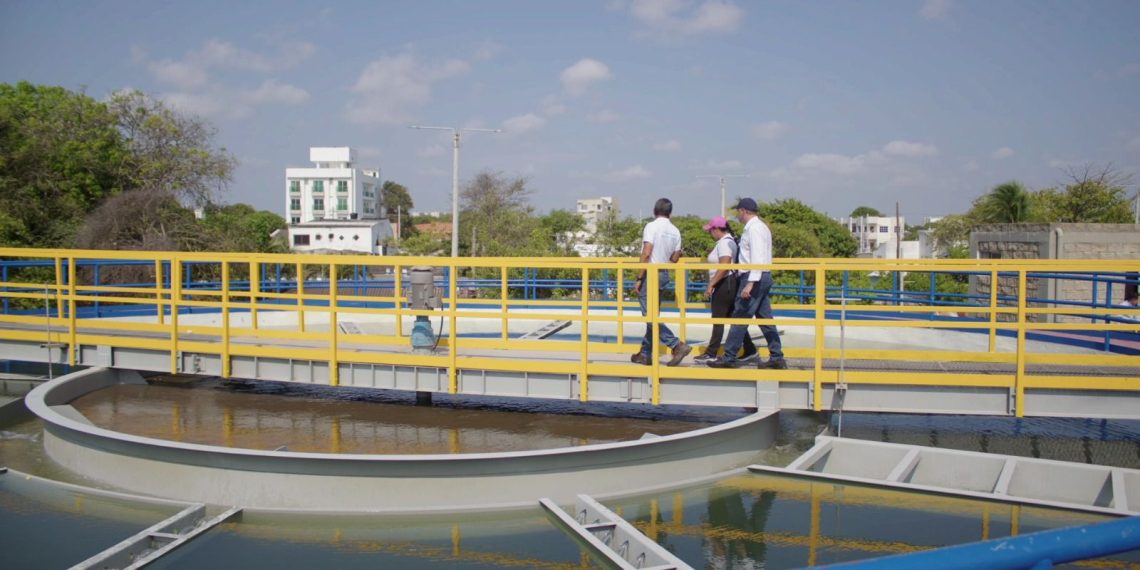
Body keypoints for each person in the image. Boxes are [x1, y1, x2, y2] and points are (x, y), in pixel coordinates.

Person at [707, 197, 786, 369]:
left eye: (738, 212)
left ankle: (729, 357)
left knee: (740, 316)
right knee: (765, 319)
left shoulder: (754, 229)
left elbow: (757, 257)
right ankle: (777, 356)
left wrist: (750, 283)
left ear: (743, 211)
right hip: (760, 276)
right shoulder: (760, 227)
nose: (737, 215)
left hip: (753, 276)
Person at [632, 198, 692, 366]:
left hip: (650, 273)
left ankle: (676, 345)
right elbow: (675, 257)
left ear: (654, 211)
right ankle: (645, 353)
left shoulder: (651, 227)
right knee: (653, 315)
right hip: (664, 274)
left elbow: (647, 252)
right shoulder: (675, 230)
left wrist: (639, 277)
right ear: (670, 213)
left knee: (649, 316)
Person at [694, 216, 758, 364]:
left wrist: (711, 285)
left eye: (711, 230)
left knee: (718, 319)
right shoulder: (730, 241)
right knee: (731, 318)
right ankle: (750, 348)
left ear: (717, 229)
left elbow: (724, 266)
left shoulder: (724, 244)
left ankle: (711, 352)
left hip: (724, 284)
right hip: (729, 284)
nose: (710, 233)